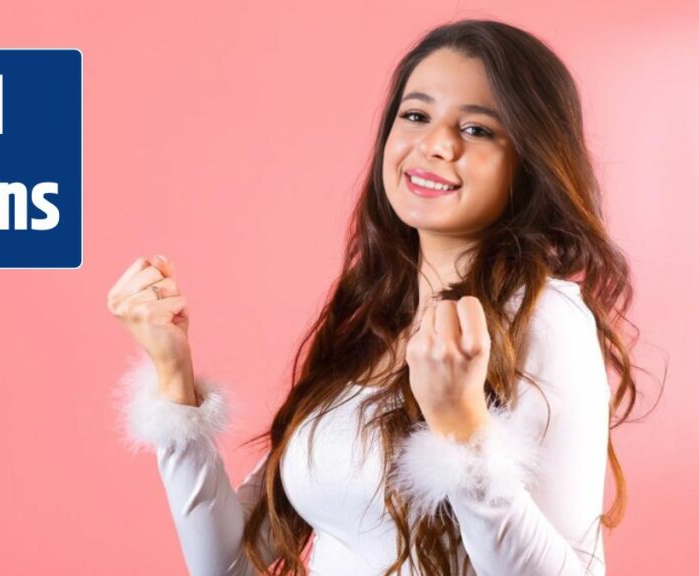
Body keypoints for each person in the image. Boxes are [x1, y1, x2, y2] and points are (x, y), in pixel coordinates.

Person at [107, 18, 642, 576]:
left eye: (479, 129)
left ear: (529, 161)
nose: (435, 144)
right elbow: (229, 564)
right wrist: (173, 375)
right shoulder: (373, 325)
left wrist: (462, 430)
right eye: (415, 115)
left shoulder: (544, 318)